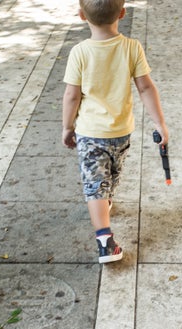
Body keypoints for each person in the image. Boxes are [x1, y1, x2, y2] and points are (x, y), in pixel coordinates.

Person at [62, 0, 168, 264]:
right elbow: (146, 88)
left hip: (89, 132)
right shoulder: (132, 48)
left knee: (96, 183)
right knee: (111, 175)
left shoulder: (80, 52)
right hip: (121, 131)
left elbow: (71, 96)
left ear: (80, 16)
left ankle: (104, 237)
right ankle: (104, 229)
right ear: (122, 13)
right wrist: (160, 123)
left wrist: (67, 126)